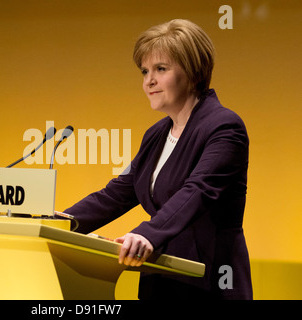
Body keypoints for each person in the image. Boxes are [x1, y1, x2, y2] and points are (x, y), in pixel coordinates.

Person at [63, 19, 253, 299]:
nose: (148, 81)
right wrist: (58, 221)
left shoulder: (224, 127)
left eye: (160, 69)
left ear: (192, 71)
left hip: (210, 281)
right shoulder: (155, 135)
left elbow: (197, 191)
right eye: (145, 71)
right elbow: (117, 193)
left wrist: (148, 234)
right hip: (162, 280)